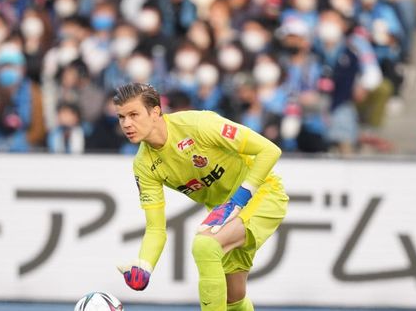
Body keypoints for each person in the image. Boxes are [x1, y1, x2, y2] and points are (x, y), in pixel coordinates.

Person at [114, 83, 288, 311]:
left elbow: (270, 150)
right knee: (233, 300)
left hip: (262, 193)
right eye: (121, 117)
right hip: (224, 213)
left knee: (205, 245)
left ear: (155, 111)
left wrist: (238, 200)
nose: (127, 124)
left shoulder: (199, 124)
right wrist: (145, 265)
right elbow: (156, 229)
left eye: (133, 114)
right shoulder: (144, 166)